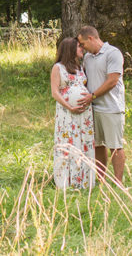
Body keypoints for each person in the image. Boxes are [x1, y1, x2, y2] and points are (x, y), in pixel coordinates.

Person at [76, 25, 126, 187]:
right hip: (93, 108)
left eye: (83, 44)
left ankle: (118, 182)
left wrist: (93, 96)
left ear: (91, 38)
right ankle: (101, 179)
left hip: (111, 108)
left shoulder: (113, 53)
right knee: (98, 145)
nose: (82, 48)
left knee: (115, 146)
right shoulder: (88, 58)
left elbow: (112, 80)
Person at [50, 37, 95, 190]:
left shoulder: (80, 67)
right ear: (70, 49)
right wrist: (69, 106)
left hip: (84, 116)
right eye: (78, 47)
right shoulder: (58, 68)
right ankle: (66, 181)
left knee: (84, 142)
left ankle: (83, 179)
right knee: (69, 142)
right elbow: (55, 93)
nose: (82, 48)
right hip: (67, 114)